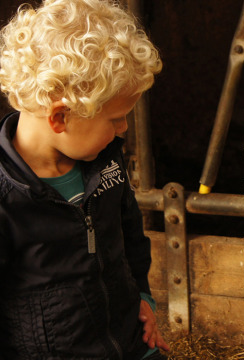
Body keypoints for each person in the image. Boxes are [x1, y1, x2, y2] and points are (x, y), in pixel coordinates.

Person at [0, 0, 170, 358]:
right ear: (60, 117)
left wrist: (143, 296)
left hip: (130, 341)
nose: (123, 129)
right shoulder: (7, 198)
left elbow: (129, 231)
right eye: (116, 118)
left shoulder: (104, 161)